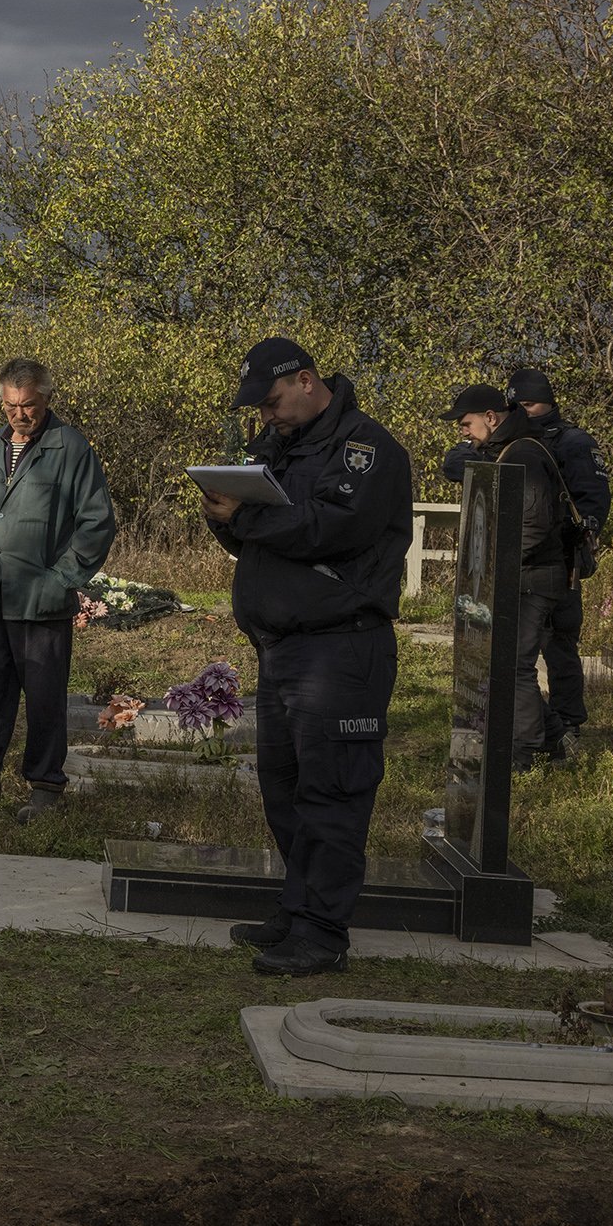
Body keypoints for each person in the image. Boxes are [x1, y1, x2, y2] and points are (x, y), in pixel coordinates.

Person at [199, 338, 412, 977]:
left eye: (272, 402)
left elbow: (329, 528)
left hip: (340, 646)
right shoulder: (279, 446)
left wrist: (249, 519)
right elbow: (254, 534)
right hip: (282, 645)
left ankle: (323, 931)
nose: (266, 416)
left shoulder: (367, 450)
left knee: (333, 790)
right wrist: (222, 513)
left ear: (307, 380)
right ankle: (297, 909)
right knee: (284, 789)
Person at [0, 357, 117, 821]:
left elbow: (97, 523)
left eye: (29, 405)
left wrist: (62, 579)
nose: (20, 414)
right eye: (10, 405)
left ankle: (45, 788)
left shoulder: (69, 447)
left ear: (47, 398)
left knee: (45, 697)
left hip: (41, 599)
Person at [441, 369, 609, 755]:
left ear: (492, 416)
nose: (464, 432)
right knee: (513, 661)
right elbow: (455, 465)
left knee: (548, 652)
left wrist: (497, 564)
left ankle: (544, 739)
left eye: (528, 403)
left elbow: (557, 513)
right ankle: (555, 736)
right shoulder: (504, 443)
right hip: (527, 568)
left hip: (547, 568)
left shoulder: (547, 445)